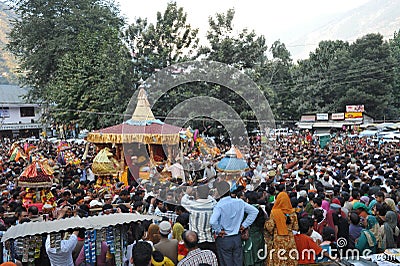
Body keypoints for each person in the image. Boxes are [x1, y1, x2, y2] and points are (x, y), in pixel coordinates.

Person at [210, 181, 258, 266]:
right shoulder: (239, 202)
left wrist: (218, 230)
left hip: (224, 238)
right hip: (237, 237)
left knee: (226, 262)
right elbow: (254, 211)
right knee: (238, 262)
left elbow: (212, 221)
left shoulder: (219, 205)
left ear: (218, 192)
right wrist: (244, 225)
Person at [265, 192, 298, 266]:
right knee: (290, 258)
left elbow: (270, 227)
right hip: (290, 239)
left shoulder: (274, 212)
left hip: (278, 239)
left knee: (279, 259)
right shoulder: (293, 213)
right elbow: (296, 228)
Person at [181, 185, 217, 253]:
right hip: (210, 240)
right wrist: (207, 193)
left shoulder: (193, 205)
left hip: (197, 241)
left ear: (197, 193)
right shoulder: (213, 204)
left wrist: (187, 193)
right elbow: (212, 199)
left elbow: (183, 201)